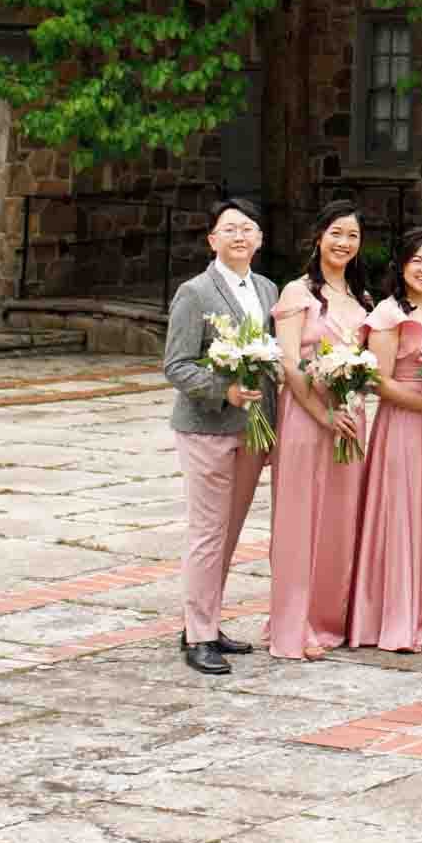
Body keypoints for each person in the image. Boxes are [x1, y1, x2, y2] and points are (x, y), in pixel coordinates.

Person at [163, 197, 278, 679]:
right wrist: (223, 390)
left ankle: (205, 619)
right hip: (207, 427)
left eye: (247, 228)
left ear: (259, 239)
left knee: (229, 532)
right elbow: (176, 365)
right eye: (229, 228)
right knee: (207, 532)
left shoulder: (268, 289)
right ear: (212, 239)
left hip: (253, 429)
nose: (239, 236)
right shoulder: (195, 292)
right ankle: (199, 637)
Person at [348, 227, 422, 653]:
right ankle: (395, 619)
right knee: (402, 516)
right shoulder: (388, 313)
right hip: (403, 425)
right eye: (416, 260)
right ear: (400, 265)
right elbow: (379, 382)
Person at [269, 199, 371, 661]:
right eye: (336, 233)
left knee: (339, 518)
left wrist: (348, 403)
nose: (344, 243)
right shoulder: (298, 292)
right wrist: (322, 414)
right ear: (318, 237)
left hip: (350, 416)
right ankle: (294, 624)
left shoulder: (361, 298)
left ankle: (330, 618)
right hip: (307, 414)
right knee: (300, 517)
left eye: (352, 236)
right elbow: (290, 363)